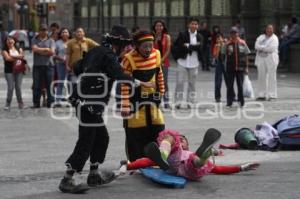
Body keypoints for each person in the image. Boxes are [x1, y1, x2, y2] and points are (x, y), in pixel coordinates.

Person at [58, 25, 155, 194]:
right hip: (88, 104)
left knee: (101, 138)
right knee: (86, 141)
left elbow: (77, 67)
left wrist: (93, 71)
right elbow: (119, 75)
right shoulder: (108, 55)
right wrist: (143, 83)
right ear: (117, 43)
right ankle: (67, 179)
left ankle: (94, 175)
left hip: (87, 103)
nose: (126, 49)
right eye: (125, 45)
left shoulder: (97, 51)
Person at [121, 129, 259, 179]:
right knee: (169, 138)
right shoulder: (174, 151)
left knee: (196, 161)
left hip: (191, 166)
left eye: (183, 140)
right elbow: (146, 161)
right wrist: (128, 166)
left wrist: (241, 167)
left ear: (187, 145)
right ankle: (205, 153)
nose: (180, 140)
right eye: (179, 139)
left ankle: (205, 153)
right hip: (175, 164)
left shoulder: (188, 152)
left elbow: (218, 169)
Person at [121, 30, 165, 162]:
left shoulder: (156, 54)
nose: (148, 49)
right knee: (136, 131)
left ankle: (157, 158)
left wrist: (161, 92)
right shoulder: (129, 59)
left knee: (158, 128)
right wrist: (125, 105)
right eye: (145, 46)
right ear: (136, 46)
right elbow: (125, 84)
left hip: (152, 100)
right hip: (135, 101)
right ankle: (136, 161)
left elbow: (159, 74)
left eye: (150, 46)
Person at [173, 17, 203, 109]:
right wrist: (193, 46)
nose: (194, 25)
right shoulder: (182, 34)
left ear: (198, 26)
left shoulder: (200, 36)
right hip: (182, 61)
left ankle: (190, 102)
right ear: (188, 25)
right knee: (180, 82)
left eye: (195, 24)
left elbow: (200, 48)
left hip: (194, 62)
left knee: (192, 83)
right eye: (192, 23)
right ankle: (177, 102)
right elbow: (178, 45)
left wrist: (188, 45)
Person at [224, 27, 250, 108]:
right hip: (230, 68)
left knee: (240, 86)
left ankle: (241, 101)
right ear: (230, 34)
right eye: (232, 33)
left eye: (235, 33)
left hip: (240, 67)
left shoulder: (242, 43)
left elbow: (246, 55)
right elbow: (223, 54)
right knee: (230, 86)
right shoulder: (227, 44)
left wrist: (246, 67)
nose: (233, 34)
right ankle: (229, 101)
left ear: (238, 33)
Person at [31, 24, 56, 108]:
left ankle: (51, 102)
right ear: (39, 30)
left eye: (45, 30)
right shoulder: (34, 39)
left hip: (49, 65)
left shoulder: (51, 40)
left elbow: (52, 52)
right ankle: (36, 103)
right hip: (37, 66)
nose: (43, 31)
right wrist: (46, 49)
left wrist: (40, 51)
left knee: (50, 85)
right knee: (36, 85)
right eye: (42, 30)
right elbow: (34, 49)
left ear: (47, 31)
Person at [255, 24, 279, 101]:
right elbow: (256, 46)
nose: (269, 30)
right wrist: (264, 47)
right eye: (268, 29)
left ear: (273, 30)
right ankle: (262, 94)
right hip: (261, 58)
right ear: (265, 29)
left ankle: (272, 95)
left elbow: (271, 48)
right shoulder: (261, 37)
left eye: (271, 29)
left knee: (272, 77)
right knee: (261, 76)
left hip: (271, 58)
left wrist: (261, 48)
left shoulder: (274, 38)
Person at [1, 36, 26, 110]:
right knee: (11, 88)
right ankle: (8, 103)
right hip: (9, 71)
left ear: (14, 41)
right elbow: (8, 58)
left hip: (19, 70)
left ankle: (20, 103)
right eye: (8, 40)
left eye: (11, 40)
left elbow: (22, 56)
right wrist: (18, 56)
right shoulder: (4, 50)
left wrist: (13, 56)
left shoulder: (19, 48)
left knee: (18, 87)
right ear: (6, 42)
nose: (10, 41)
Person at [152, 19, 172, 109]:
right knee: (154, 82)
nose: (159, 27)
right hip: (153, 62)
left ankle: (166, 101)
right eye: (157, 25)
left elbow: (168, 50)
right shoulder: (152, 36)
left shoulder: (167, 37)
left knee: (164, 82)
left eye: (160, 25)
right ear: (154, 27)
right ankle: (156, 101)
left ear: (163, 27)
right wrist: (156, 61)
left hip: (164, 63)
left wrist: (161, 60)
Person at [53, 28, 72, 106]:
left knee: (70, 82)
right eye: (63, 32)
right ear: (60, 34)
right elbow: (54, 54)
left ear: (69, 34)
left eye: (66, 32)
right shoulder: (57, 43)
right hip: (60, 64)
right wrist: (60, 58)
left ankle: (71, 100)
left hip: (70, 64)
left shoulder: (72, 42)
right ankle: (58, 100)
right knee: (60, 82)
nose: (64, 33)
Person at [212, 33, 227, 103]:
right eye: (217, 39)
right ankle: (217, 97)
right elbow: (215, 56)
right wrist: (218, 48)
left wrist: (224, 44)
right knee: (218, 81)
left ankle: (231, 95)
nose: (218, 40)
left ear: (222, 38)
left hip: (226, 63)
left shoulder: (226, 44)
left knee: (229, 80)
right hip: (219, 64)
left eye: (220, 38)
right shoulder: (215, 46)